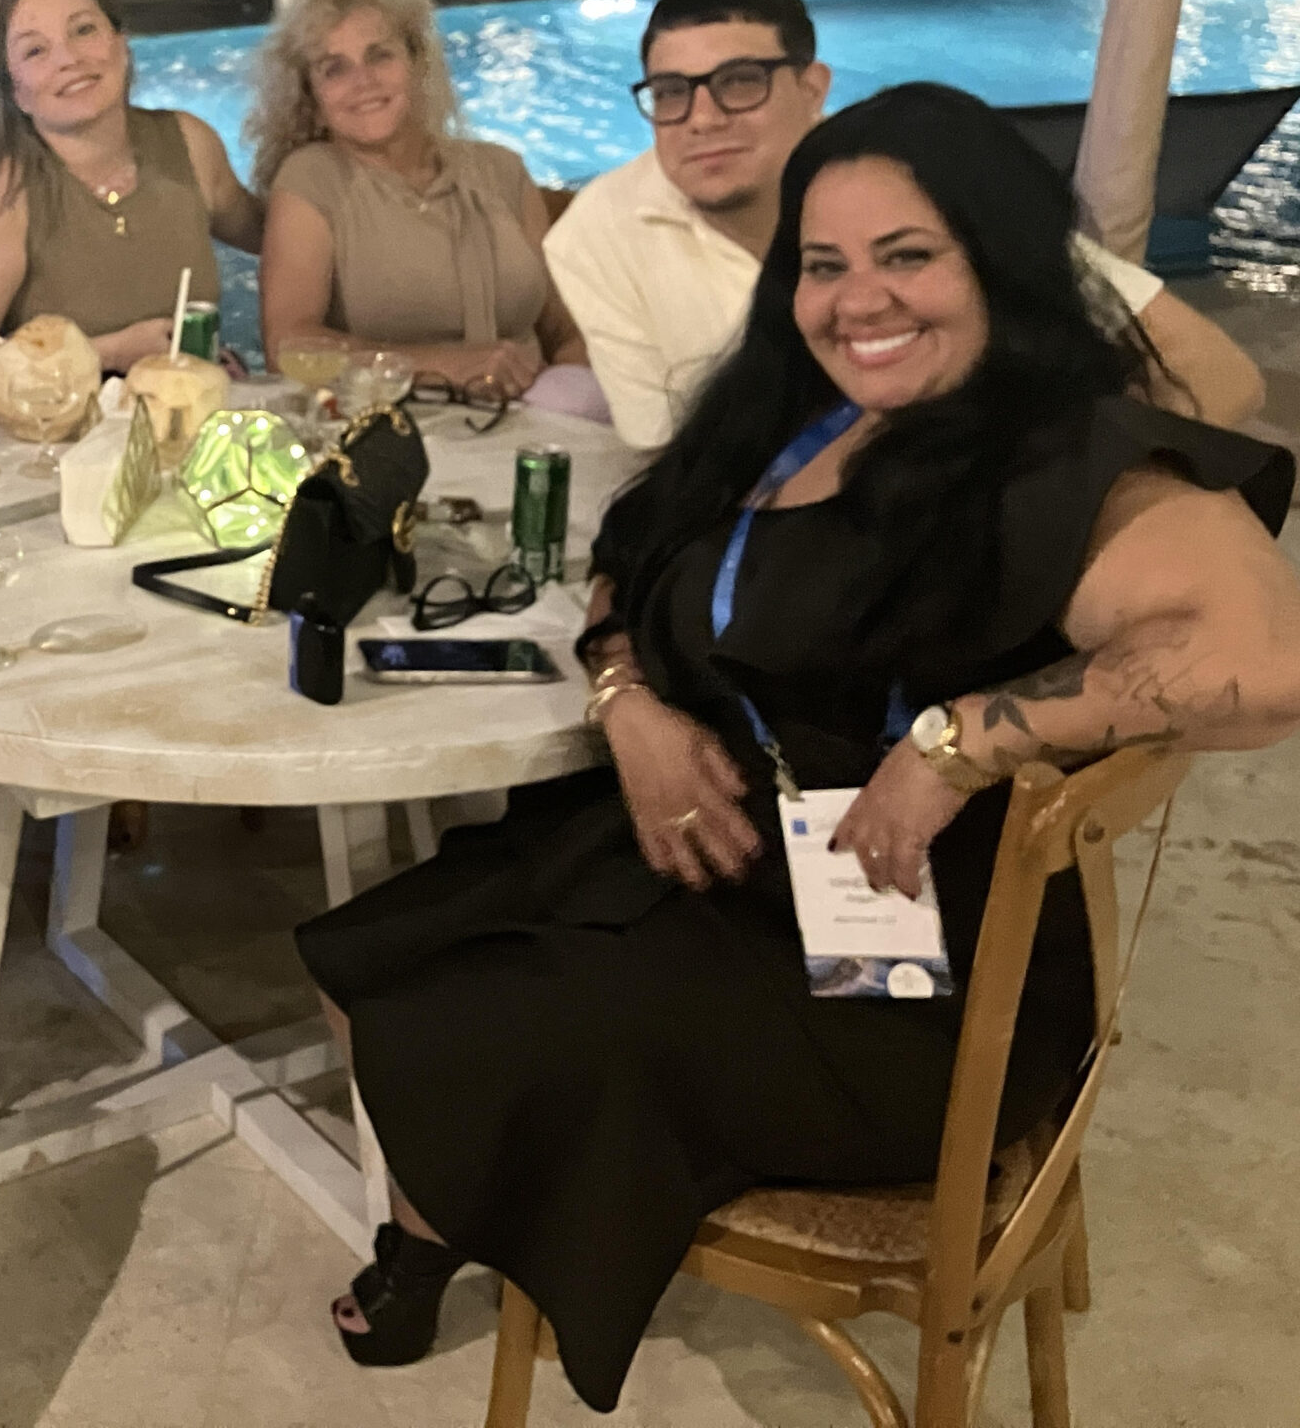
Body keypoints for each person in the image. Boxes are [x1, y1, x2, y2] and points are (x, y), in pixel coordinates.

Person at [301, 82, 1300, 1412]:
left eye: (908, 255)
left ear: (999, 257)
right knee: (365, 957)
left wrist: (956, 741)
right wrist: (627, 703)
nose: (856, 301)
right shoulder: (802, 410)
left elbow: (1265, 664)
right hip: (739, 859)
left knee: (461, 1024)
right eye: (823, 265)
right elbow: (629, 552)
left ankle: (432, 1240)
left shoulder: (1061, 455)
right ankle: (437, 1223)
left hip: (900, 973)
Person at [544, 0, 1265, 448]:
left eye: (739, 82)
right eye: (672, 92)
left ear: (813, 88)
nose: (702, 119)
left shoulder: (918, 178)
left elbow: (1220, 377)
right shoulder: (596, 235)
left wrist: (1083, 492)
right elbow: (668, 453)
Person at [250, 0, 593, 408]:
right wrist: (440, 365)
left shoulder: (502, 170)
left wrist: (575, 405)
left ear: (417, 65)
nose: (364, 81)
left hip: (534, 418)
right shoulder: (311, 180)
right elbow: (288, 347)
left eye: (380, 56)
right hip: (393, 425)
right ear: (312, 101)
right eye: (335, 69)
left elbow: (565, 328)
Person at [0, 0, 262, 391]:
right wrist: (107, 353)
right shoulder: (1, 190)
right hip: (63, 429)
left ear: (121, 46)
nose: (69, 59)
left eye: (83, 30)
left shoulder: (189, 143)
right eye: (35, 51)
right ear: (16, 93)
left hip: (193, 409)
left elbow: (274, 234)